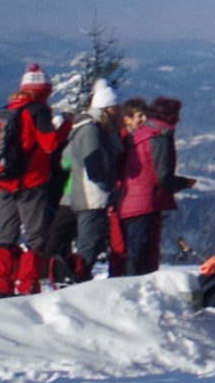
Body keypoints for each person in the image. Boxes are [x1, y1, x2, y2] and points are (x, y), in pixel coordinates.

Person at [0, 63, 62, 298]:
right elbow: (50, 144)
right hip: (31, 181)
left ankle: (1, 286)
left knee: (6, 234)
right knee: (34, 235)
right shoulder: (38, 111)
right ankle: (28, 286)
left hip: (3, 180)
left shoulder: (6, 109)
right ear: (44, 90)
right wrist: (66, 126)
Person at [59, 81, 127, 281]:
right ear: (106, 108)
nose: (118, 113)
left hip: (89, 193)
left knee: (91, 239)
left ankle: (78, 274)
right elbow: (93, 162)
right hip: (92, 195)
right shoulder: (91, 130)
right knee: (89, 240)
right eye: (115, 108)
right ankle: (78, 276)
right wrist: (107, 183)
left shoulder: (90, 126)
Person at [112, 97, 179, 276]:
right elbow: (162, 175)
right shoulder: (158, 136)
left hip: (129, 199)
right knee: (141, 250)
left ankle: (130, 280)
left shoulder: (139, 136)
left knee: (134, 247)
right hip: (145, 199)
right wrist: (181, 183)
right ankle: (135, 283)